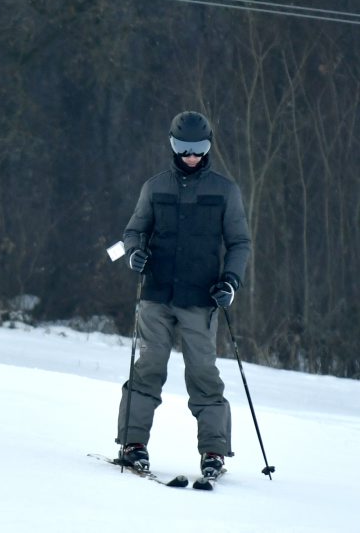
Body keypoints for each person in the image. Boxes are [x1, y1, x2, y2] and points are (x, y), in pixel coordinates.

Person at [115, 111, 251, 479]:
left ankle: (214, 451)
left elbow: (239, 243)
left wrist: (231, 283)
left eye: (199, 149)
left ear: (208, 148)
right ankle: (133, 444)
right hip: (156, 294)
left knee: (203, 374)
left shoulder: (225, 191)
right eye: (184, 149)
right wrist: (134, 253)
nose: (191, 156)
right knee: (148, 368)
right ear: (173, 147)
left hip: (201, 299)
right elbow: (133, 232)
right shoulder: (155, 187)